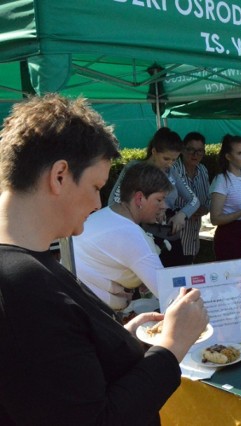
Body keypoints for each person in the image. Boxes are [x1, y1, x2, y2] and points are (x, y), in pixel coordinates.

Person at [0, 94, 209, 424]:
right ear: (59, 176)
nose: (98, 203)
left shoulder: (32, 265)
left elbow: (63, 370)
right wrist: (172, 346)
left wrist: (121, 338)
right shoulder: (20, 284)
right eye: (96, 186)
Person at [74, 162, 172, 310]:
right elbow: (168, 293)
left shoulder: (108, 213)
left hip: (77, 301)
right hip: (89, 311)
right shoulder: (130, 234)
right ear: (139, 199)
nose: (165, 206)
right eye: (159, 199)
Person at [109, 127, 200, 266]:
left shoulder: (172, 171)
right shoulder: (134, 168)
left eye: (174, 160)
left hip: (170, 235)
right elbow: (113, 202)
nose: (170, 163)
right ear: (154, 151)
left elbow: (194, 200)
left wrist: (182, 214)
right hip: (141, 234)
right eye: (166, 158)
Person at [172, 131, 211, 263]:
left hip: (193, 239)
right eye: (191, 150)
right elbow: (164, 203)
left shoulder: (203, 170)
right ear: (182, 150)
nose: (195, 155)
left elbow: (208, 198)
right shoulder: (173, 170)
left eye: (200, 151)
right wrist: (186, 211)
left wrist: (205, 209)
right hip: (175, 237)